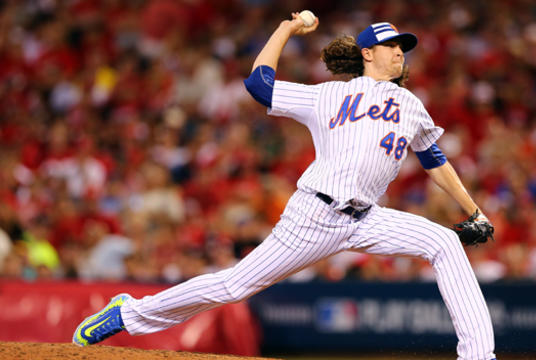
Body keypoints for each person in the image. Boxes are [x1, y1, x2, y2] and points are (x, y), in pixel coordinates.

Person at [73, 13, 496, 360]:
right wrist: (286, 29)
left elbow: (433, 160)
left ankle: (478, 356)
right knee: (234, 286)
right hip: (314, 215)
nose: (400, 53)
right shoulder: (329, 95)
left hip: (367, 217)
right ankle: (128, 313)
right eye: (392, 46)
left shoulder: (411, 105)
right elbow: (259, 86)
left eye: (403, 47)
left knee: (444, 242)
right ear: (368, 53)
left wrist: (473, 209)